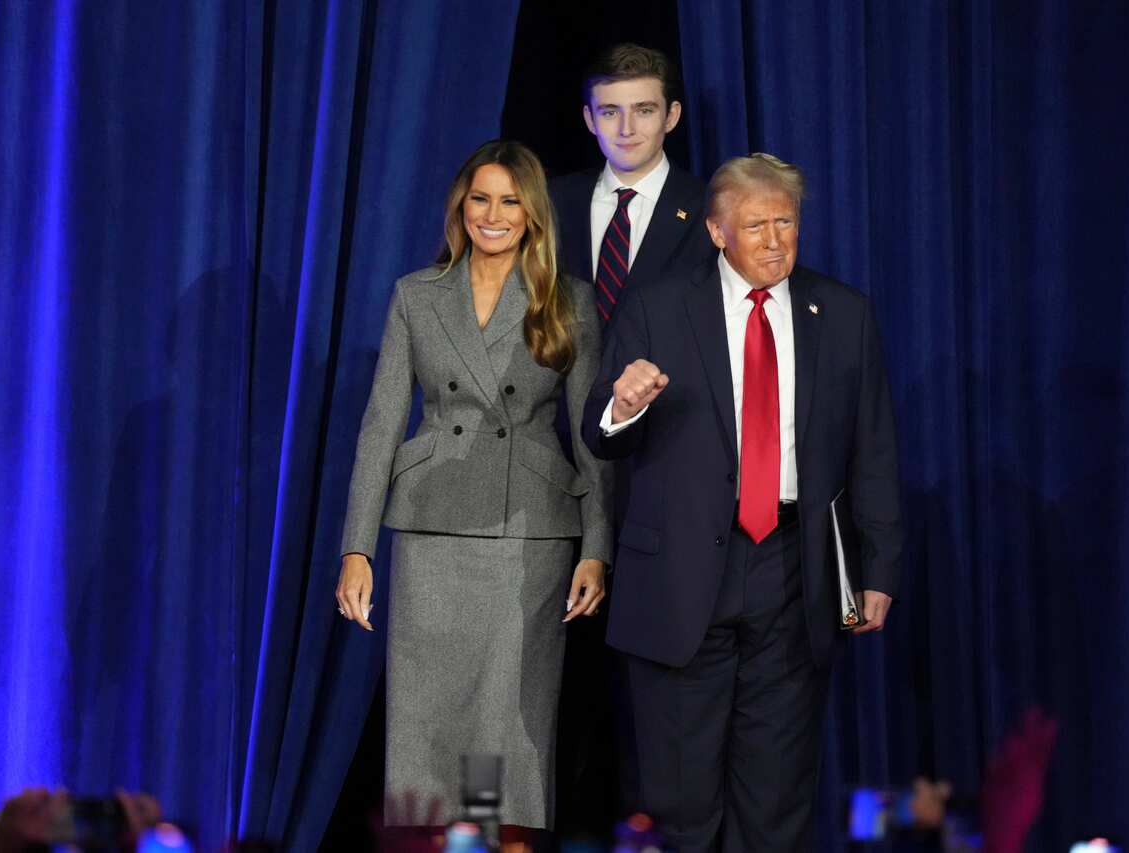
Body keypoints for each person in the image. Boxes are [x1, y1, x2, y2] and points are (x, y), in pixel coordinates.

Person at [582, 153, 904, 851]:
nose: (774, 240)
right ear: (716, 230)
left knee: (776, 795)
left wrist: (878, 569)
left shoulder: (843, 314)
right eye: (755, 224)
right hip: (680, 575)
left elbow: (873, 450)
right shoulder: (659, 305)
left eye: (785, 221)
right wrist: (622, 405)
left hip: (792, 570)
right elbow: (597, 436)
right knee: (680, 799)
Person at [335, 140, 613, 834]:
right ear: (461, 205)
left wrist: (596, 547)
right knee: (427, 724)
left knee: (504, 731)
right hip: (431, 529)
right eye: (480, 198)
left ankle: (491, 840)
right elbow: (378, 424)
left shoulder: (568, 300)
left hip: (528, 537)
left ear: (532, 213)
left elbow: (591, 436)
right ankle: (435, 841)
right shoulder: (417, 294)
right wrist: (356, 548)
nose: (493, 214)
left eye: (510, 200)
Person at [549, 43, 717, 324]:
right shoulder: (553, 200)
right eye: (610, 112)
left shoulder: (709, 207)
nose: (627, 129)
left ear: (671, 117)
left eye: (644, 111)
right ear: (590, 119)